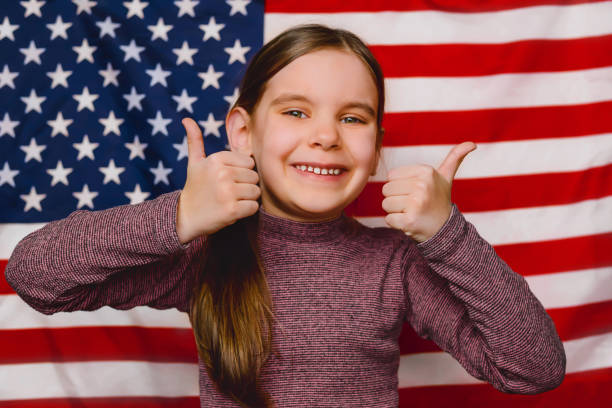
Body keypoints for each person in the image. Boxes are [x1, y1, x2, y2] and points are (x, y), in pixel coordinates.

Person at [5, 24, 565, 407]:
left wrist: (449, 234)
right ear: (244, 133)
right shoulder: (203, 253)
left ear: (376, 149)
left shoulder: (395, 264)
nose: (325, 136)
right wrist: (178, 216)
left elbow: (534, 369)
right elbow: (35, 274)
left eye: (353, 118)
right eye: (296, 111)